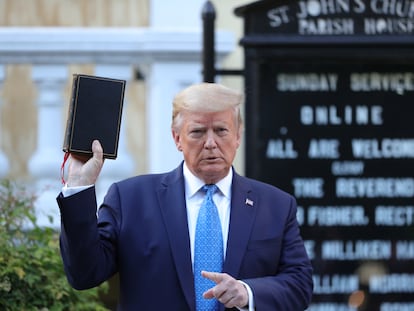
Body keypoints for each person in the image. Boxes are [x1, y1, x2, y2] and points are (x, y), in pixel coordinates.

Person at [57, 82, 313, 311]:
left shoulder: (276, 205)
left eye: (221, 130)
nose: (210, 143)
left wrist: (247, 292)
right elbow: (84, 274)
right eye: (198, 132)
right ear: (177, 138)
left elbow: (299, 285)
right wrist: (79, 186)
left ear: (238, 136)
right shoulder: (130, 199)